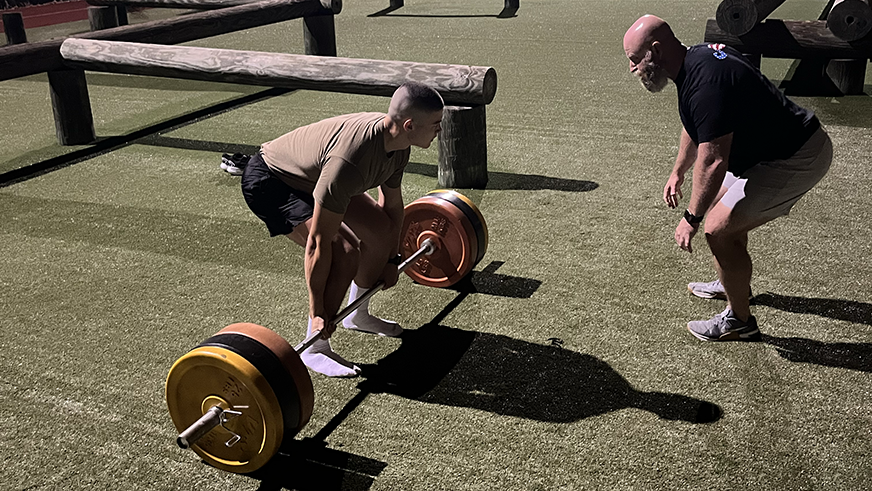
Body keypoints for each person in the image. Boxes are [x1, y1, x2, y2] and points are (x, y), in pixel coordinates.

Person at [622, 15, 832, 341]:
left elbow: (714, 159)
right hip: (770, 154)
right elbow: (697, 127)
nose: (633, 69)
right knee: (723, 210)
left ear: (656, 50)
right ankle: (731, 284)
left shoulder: (705, 83)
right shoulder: (696, 60)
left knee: (717, 229)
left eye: (635, 60)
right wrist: (678, 171)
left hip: (797, 157)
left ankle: (740, 321)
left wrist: (690, 218)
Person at [241, 82, 444, 376]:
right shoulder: (350, 161)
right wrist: (317, 312)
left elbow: (392, 207)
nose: (439, 131)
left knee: (382, 229)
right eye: (435, 125)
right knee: (345, 250)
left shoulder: (399, 145)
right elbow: (318, 244)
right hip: (273, 181)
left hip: (315, 177)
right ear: (410, 125)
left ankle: (357, 316)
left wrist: (392, 260)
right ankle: (314, 346)